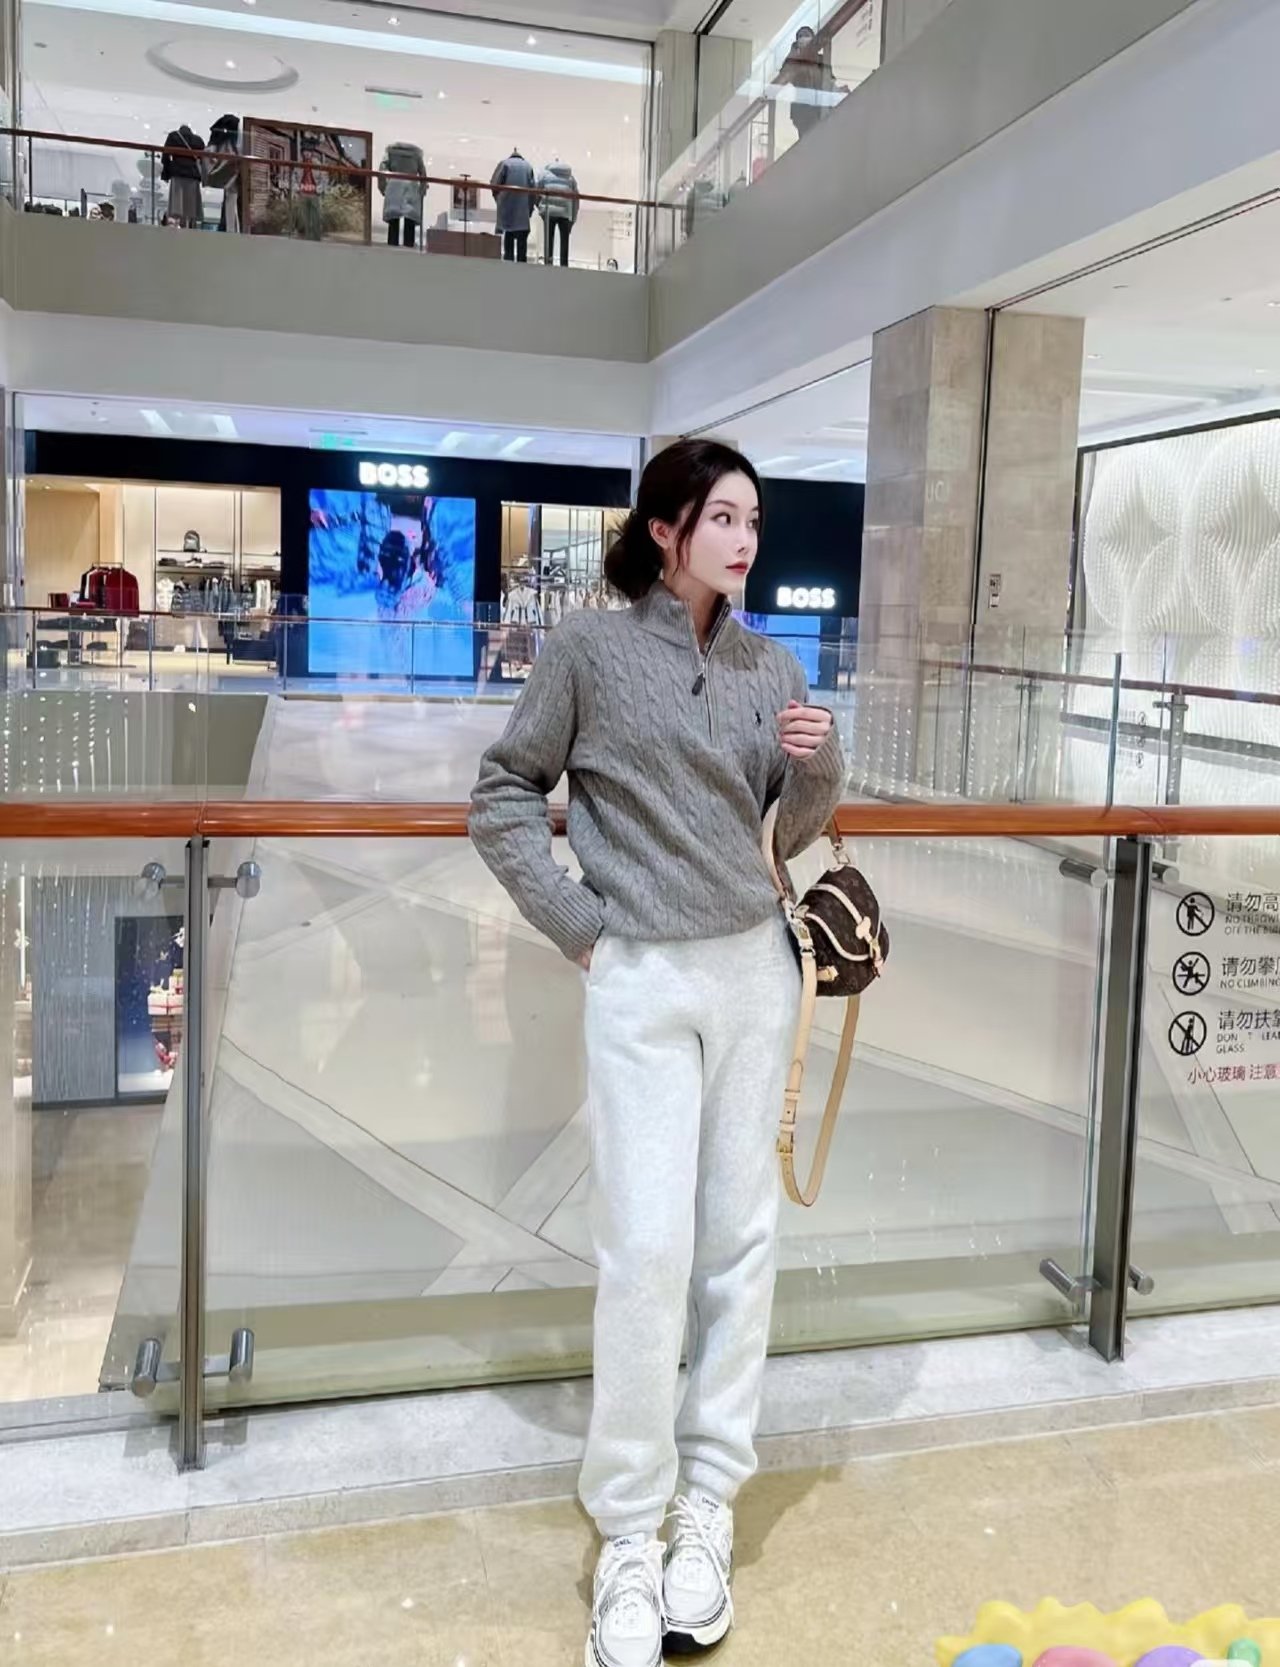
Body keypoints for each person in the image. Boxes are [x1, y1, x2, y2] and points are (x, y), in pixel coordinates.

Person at [469, 439, 845, 1667]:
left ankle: (707, 1503)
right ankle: (628, 1524)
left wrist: (816, 760)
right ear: (665, 528)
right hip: (638, 975)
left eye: (754, 520)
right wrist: (579, 923)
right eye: (722, 517)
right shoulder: (585, 649)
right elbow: (501, 793)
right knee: (644, 1248)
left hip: (753, 972)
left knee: (739, 1242)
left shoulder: (768, 661)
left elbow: (787, 829)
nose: (744, 539)